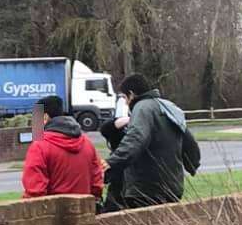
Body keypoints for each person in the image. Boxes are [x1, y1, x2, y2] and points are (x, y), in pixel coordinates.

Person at [105, 74, 201, 208]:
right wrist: (192, 165)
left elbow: (135, 140)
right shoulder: (169, 107)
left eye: (125, 98)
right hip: (172, 187)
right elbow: (189, 141)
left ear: (131, 94)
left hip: (146, 190)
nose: (126, 103)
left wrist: (110, 164)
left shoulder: (142, 108)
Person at [22, 95, 104, 199]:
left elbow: (34, 191)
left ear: (45, 118)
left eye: (35, 118)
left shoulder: (39, 146)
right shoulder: (87, 143)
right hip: (84, 210)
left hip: (53, 212)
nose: (34, 125)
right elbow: (96, 184)